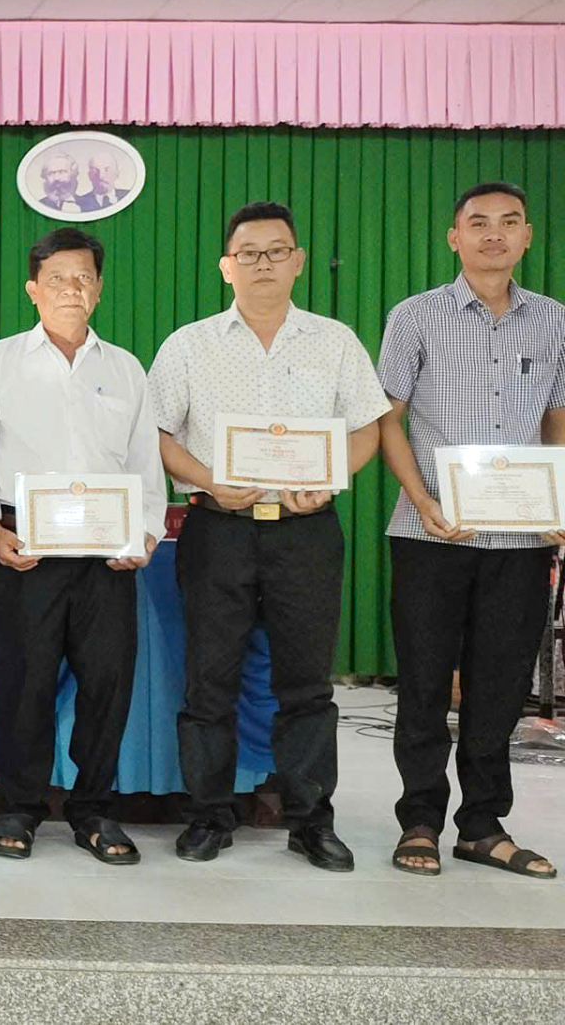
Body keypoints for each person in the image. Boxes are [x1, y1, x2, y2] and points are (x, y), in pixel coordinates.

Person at [149, 201, 390, 872]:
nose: (263, 263)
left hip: (305, 532)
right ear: (226, 266)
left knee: (307, 685)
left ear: (298, 261)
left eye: (276, 251)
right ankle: (209, 815)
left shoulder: (334, 341)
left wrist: (331, 478)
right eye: (248, 253)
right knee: (209, 681)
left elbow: (367, 426)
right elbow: (158, 434)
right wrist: (208, 480)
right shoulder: (189, 344)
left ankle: (311, 821)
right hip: (217, 530)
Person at [0, 227, 166, 865]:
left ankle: (94, 809)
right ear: (33, 289)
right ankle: (19, 807)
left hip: (108, 551)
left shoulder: (125, 368)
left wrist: (146, 534)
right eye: (57, 279)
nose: (71, 289)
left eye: (83, 278)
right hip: (25, 544)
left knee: (107, 682)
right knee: (23, 682)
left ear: (98, 290)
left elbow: (145, 463)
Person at [377, 181, 565, 879]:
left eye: (509, 222)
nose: (494, 234)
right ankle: (420, 821)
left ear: (527, 237)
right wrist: (421, 498)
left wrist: (557, 500)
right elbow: (386, 417)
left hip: (521, 539)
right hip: (431, 533)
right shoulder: (415, 316)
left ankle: (483, 826)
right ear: (454, 237)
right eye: (478, 223)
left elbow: (557, 419)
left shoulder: (554, 321)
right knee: (425, 684)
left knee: (500, 686)